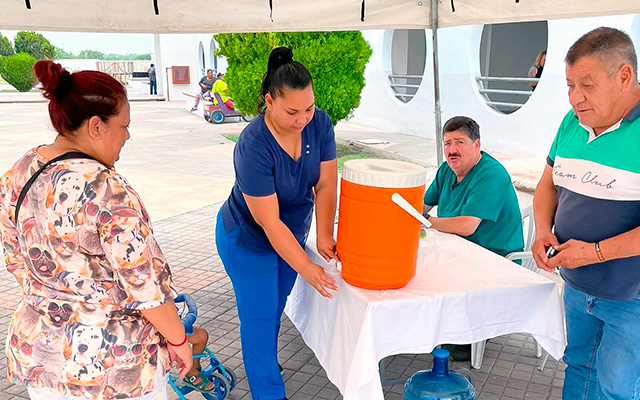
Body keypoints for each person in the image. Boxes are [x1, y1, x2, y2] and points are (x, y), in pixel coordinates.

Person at [0, 60, 193, 400]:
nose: (127, 136)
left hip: (42, 357)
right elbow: (145, 285)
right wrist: (179, 341)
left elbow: (16, 260)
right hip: (112, 368)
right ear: (96, 126)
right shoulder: (107, 189)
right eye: (124, 126)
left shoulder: (21, 172)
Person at [216, 47, 338, 400]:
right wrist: (307, 268)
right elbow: (269, 222)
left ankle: (265, 363)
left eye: (309, 108)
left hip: (292, 233)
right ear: (269, 102)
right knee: (259, 317)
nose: (303, 119)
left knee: (275, 306)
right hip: (248, 238)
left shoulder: (319, 124)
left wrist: (324, 235)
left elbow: (326, 184)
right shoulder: (253, 144)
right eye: (292, 112)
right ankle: (268, 391)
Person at [532, 27, 640, 400]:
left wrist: (593, 252)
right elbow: (547, 186)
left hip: (631, 296)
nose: (575, 97)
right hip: (577, 286)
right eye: (569, 86)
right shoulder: (571, 123)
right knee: (578, 369)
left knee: (617, 388)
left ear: (624, 76)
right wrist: (542, 230)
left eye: (587, 86)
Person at [423, 116, 524, 361]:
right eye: (447, 143)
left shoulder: (491, 174)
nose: (452, 150)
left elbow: (467, 226)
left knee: (429, 269)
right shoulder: (447, 169)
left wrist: (425, 222)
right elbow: (422, 205)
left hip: (495, 258)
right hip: (458, 249)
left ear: (477, 145)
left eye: (459, 142)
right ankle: (434, 323)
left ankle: (467, 331)